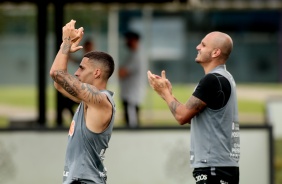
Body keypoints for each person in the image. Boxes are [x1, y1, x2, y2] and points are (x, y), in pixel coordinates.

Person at [147, 31, 240, 184]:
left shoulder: (211, 80)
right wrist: (167, 94)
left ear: (216, 52)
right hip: (222, 165)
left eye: (203, 45)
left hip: (212, 166)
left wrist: (163, 92)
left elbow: (182, 117)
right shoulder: (224, 77)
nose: (198, 47)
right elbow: (195, 117)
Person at [50, 19, 116, 184]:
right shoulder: (89, 100)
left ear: (97, 73)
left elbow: (56, 73)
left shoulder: (99, 99)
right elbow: (58, 83)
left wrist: (66, 41)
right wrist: (65, 48)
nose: (77, 73)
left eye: (82, 68)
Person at [118, 31, 147, 128]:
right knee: (129, 122)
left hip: (132, 96)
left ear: (134, 40)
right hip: (129, 95)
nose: (126, 42)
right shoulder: (132, 54)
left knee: (132, 125)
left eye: (128, 39)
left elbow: (121, 73)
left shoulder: (136, 56)